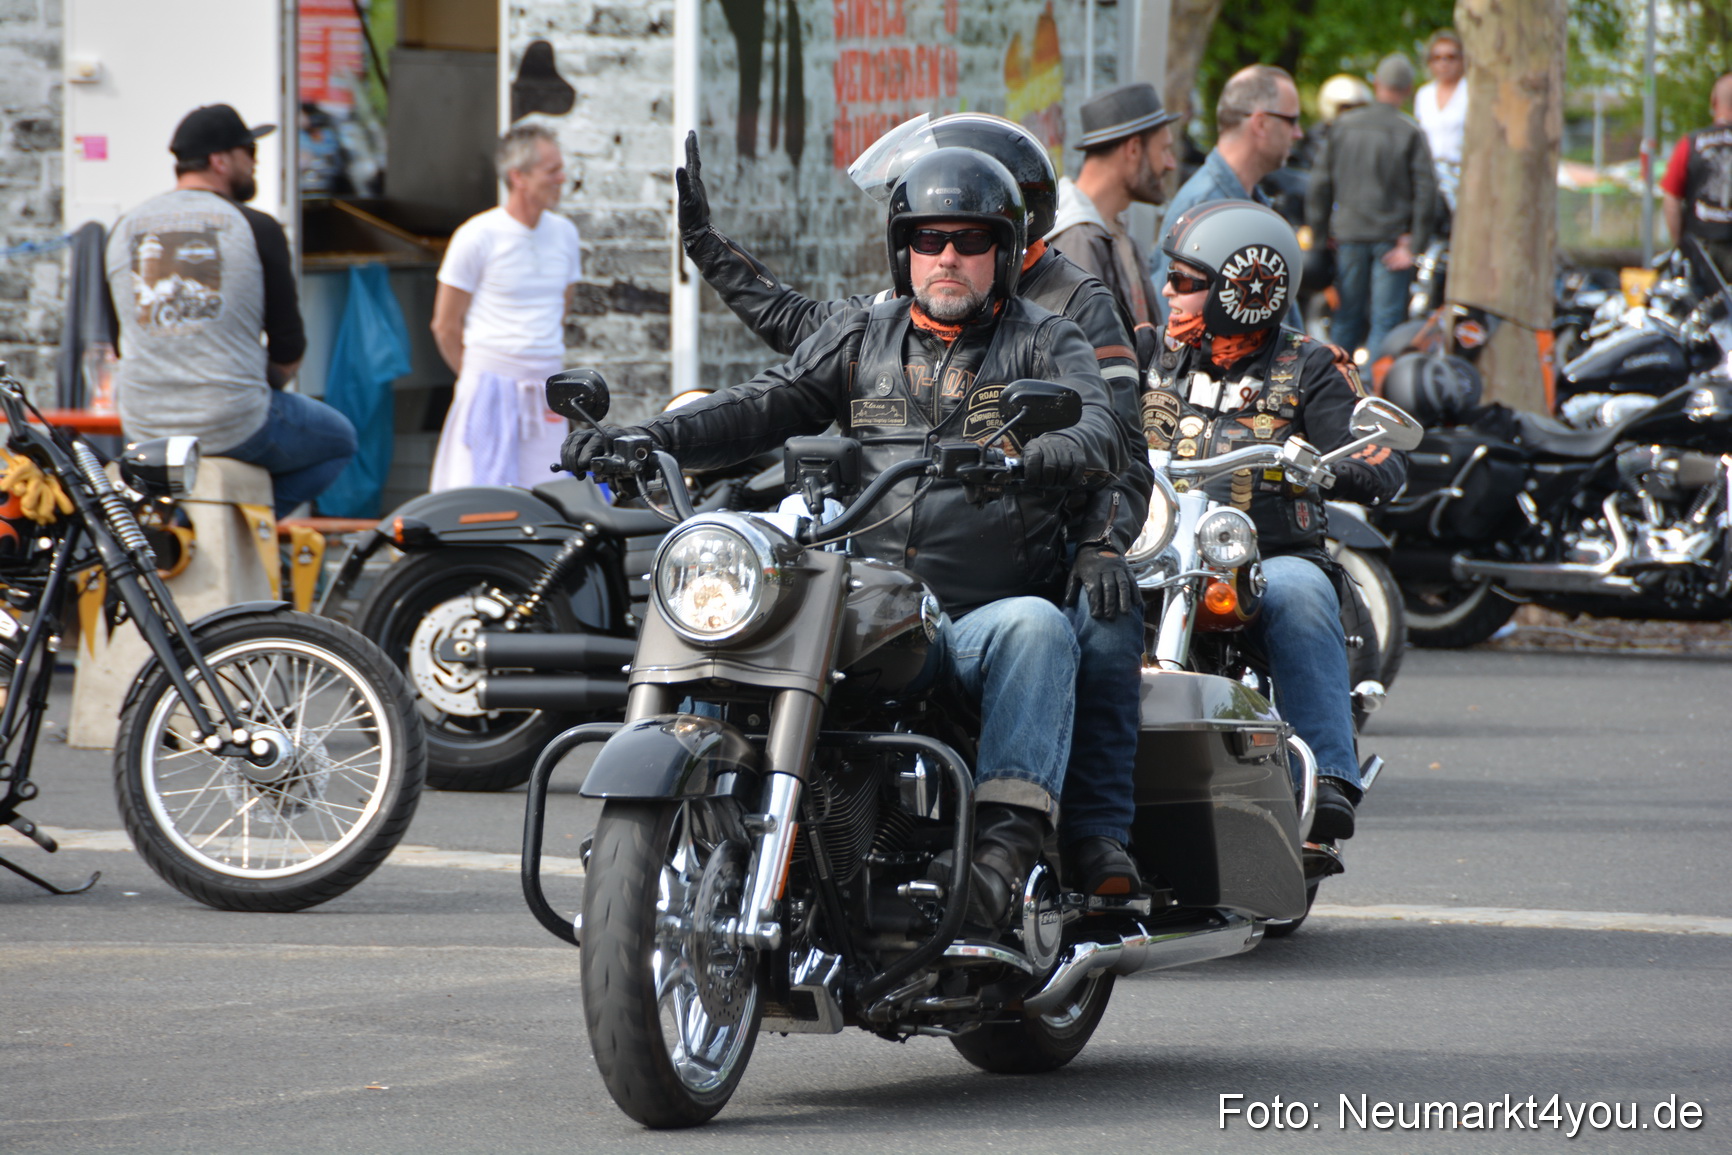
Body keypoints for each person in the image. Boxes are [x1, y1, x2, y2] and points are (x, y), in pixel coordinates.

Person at [565, 148, 1126, 927]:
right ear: (904, 250)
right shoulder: (863, 334)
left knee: (1038, 627)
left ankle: (1004, 852)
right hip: (870, 604)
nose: (948, 257)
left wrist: (1037, 453)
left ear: (1003, 250)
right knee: (735, 618)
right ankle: (670, 824)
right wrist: (643, 437)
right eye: (929, 239)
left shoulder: (1047, 338)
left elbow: (1100, 428)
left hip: (974, 620)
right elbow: (766, 401)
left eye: (969, 239)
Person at [1145, 200, 1407, 838]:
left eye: (1184, 280)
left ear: (1242, 288)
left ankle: (1331, 778)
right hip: (1155, 552)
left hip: (1267, 556)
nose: (1167, 291)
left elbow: (1381, 459)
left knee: (1300, 592)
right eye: (1170, 276)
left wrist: (1328, 467)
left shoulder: (1311, 365)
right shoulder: (1149, 353)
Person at [106, 104, 355, 519]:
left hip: (143, 425)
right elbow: (289, 348)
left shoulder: (122, 229)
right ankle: (239, 531)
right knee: (339, 440)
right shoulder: (256, 226)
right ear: (220, 161)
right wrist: (261, 381)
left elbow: (118, 341)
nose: (255, 162)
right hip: (233, 422)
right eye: (248, 151)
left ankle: (184, 527)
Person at [429, 123, 583, 490]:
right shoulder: (477, 235)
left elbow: (560, 309)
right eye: (552, 171)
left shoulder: (565, 233)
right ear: (518, 176)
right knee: (479, 496)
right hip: (489, 383)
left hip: (546, 387)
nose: (562, 179)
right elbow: (445, 325)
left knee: (549, 494)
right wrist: (479, 379)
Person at [1149, 65, 1306, 328]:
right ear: (1261, 123)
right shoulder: (1203, 208)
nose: (1298, 133)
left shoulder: (1246, 202)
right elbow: (1175, 324)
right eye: (1292, 120)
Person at [1305, 54, 1437, 360]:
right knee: (1386, 322)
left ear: (1376, 84)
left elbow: (1319, 185)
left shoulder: (1342, 126)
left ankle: (1336, 380)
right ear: (1409, 89)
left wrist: (1321, 235)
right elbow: (1426, 192)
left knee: (1345, 317)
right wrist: (1414, 245)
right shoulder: (1410, 131)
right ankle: (1376, 384)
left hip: (1348, 236)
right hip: (1392, 243)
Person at [1047, 82, 1179, 357]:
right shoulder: (1076, 239)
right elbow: (1080, 360)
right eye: (1164, 150)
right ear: (1133, 149)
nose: (1171, 163)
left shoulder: (1113, 231)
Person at [1661, 71, 1732, 288]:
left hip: (1703, 253)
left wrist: (1681, 245)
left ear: (1714, 102)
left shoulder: (1690, 144)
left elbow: (1671, 199)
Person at [1414, 30, 1467, 215]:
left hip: (1461, 171)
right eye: (1437, 58)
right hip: (1431, 173)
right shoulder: (1424, 94)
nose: (1444, 63)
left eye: (1450, 57)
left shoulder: (1470, 92)